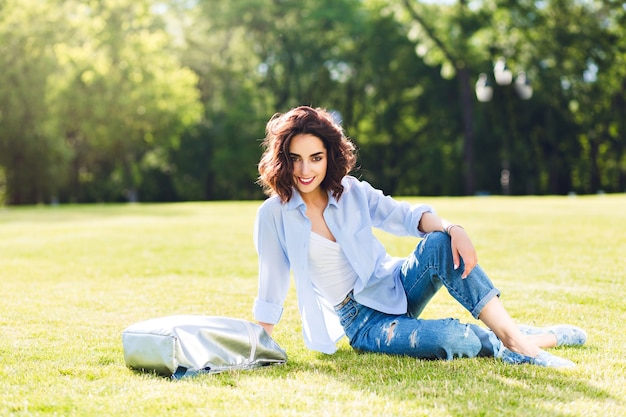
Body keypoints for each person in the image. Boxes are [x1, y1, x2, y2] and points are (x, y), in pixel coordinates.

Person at [252, 105, 586, 368]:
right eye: (295, 159)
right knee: (448, 338)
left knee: (441, 241)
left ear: (330, 157)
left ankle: (518, 344)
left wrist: (454, 228)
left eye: (315, 158)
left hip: (396, 285)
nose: (305, 170)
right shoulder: (273, 215)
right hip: (364, 323)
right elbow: (272, 286)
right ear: (282, 160)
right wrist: (258, 348)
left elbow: (405, 216)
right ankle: (529, 337)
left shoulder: (350, 192)